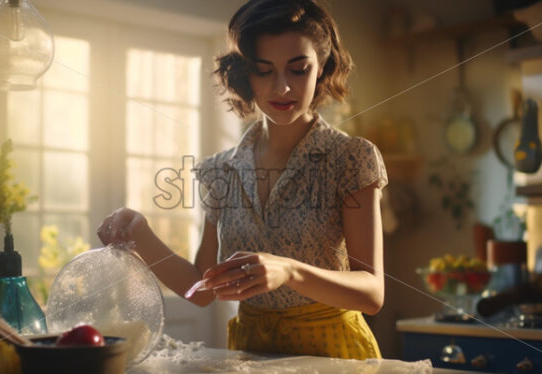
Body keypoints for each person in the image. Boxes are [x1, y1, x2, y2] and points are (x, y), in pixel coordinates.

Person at [98, 0, 387, 359]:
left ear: (322, 68)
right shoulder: (219, 172)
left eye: (298, 69)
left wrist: (290, 271)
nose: (282, 87)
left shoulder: (351, 158)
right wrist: (142, 235)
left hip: (334, 354)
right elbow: (202, 290)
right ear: (244, 75)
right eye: (264, 71)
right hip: (251, 353)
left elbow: (372, 294)